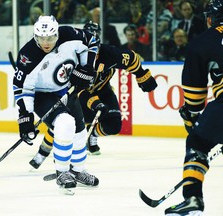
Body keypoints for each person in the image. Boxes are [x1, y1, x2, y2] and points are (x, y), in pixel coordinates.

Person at [29, 21, 157, 169]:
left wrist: (141, 75)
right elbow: (75, 87)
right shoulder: (72, 54)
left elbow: (132, 59)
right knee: (64, 123)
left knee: (114, 125)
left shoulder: (109, 53)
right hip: (77, 93)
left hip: (103, 91)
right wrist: (93, 102)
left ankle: (92, 136)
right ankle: (42, 153)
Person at [13, 15, 100, 190]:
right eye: (41, 38)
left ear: (57, 34)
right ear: (35, 36)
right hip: (41, 95)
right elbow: (20, 87)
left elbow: (92, 42)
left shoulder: (68, 34)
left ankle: (78, 170)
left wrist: (86, 67)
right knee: (65, 123)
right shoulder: (28, 55)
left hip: (66, 89)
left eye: (51, 38)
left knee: (80, 132)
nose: (46, 42)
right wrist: (25, 116)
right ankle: (62, 172)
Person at [165, 0, 223, 215]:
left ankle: (192, 199)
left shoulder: (204, 40)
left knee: (197, 142)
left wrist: (192, 116)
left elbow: (195, 95)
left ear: (211, 18)